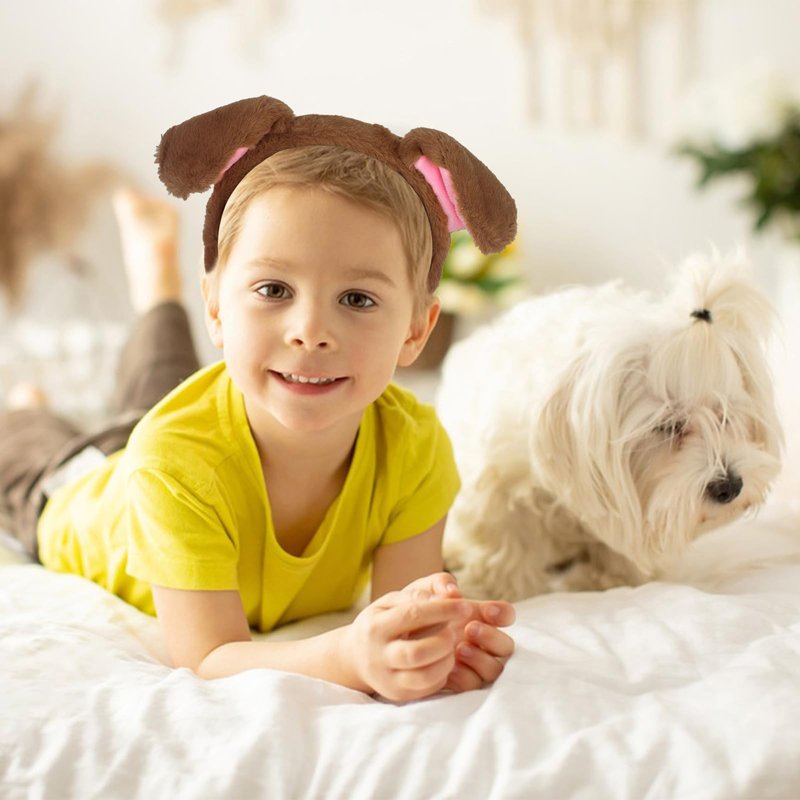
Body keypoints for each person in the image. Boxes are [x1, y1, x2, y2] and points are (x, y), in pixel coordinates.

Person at [0, 102, 517, 703]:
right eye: (273, 289)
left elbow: (405, 613)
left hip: (200, 422)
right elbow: (210, 657)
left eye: (357, 299)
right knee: (30, 441)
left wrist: (438, 646)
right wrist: (348, 657)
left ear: (416, 329)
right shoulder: (173, 463)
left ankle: (157, 285)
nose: (310, 332)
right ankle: (31, 401)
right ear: (216, 308)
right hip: (77, 484)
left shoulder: (416, 447)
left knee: (160, 389)